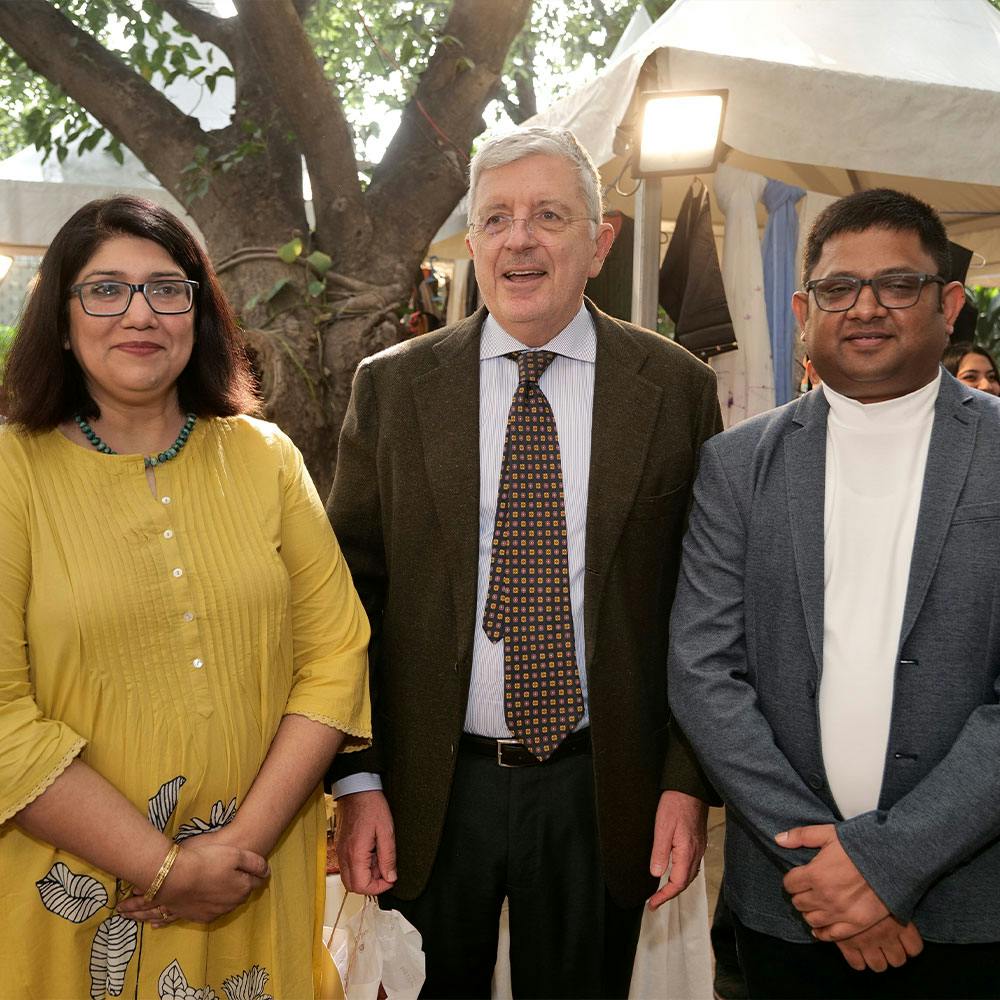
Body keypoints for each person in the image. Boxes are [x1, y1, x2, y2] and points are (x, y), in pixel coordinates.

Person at [327, 125, 722, 998]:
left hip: (601, 788)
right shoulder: (391, 388)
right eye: (496, 217)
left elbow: (705, 607)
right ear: (471, 244)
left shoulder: (676, 388)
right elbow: (347, 599)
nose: (520, 239)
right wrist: (355, 779)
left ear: (600, 239)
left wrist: (686, 784)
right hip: (431, 793)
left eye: (549, 214)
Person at [0, 196, 371, 998]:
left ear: (198, 315)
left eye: (168, 289)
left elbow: (337, 652)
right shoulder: (11, 473)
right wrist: (163, 868)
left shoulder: (266, 458)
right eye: (105, 289)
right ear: (62, 321)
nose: (140, 312)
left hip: (252, 882)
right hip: (79, 897)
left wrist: (237, 850)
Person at [668, 187, 1000, 999]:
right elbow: (704, 673)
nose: (866, 308)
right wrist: (831, 872)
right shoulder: (737, 465)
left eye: (898, 284)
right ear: (803, 307)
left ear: (948, 303)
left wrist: (888, 863)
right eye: (838, 288)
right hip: (792, 906)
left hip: (970, 911)